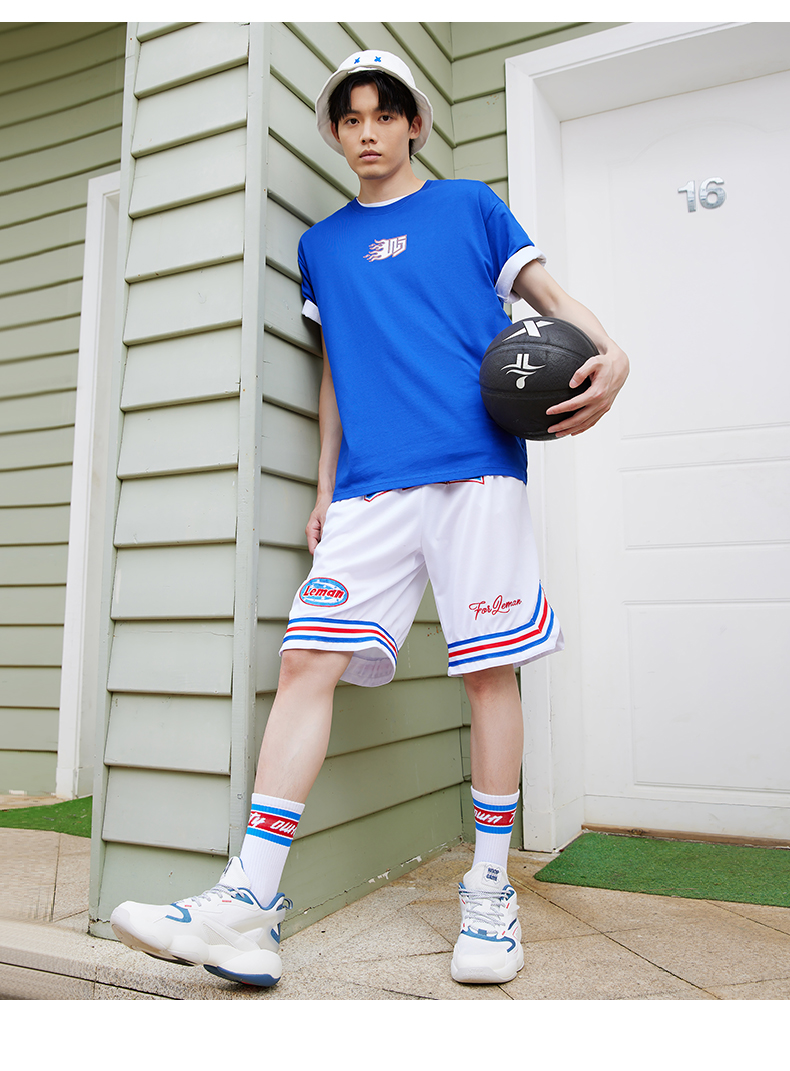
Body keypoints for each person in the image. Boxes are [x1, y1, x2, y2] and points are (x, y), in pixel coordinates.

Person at [110, 50, 629, 989]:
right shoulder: (323, 246)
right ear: (336, 132)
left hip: (476, 473)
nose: (367, 133)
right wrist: (323, 488)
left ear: (414, 123)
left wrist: (613, 353)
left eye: (383, 115)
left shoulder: (471, 207)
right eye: (349, 119)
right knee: (305, 662)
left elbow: (555, 304)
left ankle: (489, 891)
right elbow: (336, 372)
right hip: (367, 491)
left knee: (487, 671)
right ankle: (249, 905)